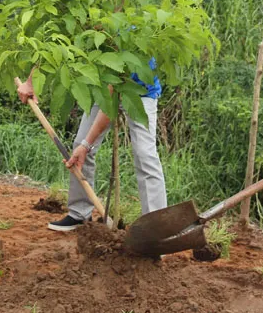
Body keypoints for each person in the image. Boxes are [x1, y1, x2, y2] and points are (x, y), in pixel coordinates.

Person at [17, 59, 167, 231]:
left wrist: (87, 145)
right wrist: (30, 82)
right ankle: (80, 214)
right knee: (79, 145)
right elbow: (56, 46)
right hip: (103, 90)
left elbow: (110, 100)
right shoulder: (90, 33)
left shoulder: (122, 37)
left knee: (145, 155)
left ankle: (157, 228)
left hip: (142, 93)